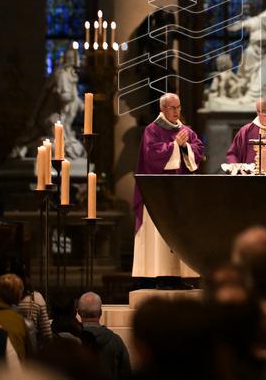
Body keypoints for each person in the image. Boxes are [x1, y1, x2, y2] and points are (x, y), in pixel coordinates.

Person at [133, 93, 205, 282]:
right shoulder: (152, 130)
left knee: (179, 235)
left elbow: (198, 150)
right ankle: (155, 277)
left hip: (180, 193)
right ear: (163, 109)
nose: (177, 111)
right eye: (173, 108)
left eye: (179, 107)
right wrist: (175, 146)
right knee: (159, 238)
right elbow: (151, 155)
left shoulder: (186, 130)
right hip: (157, 194)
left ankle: (178, 277)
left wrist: (184, 147)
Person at [76, 292, 131, 380]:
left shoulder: (72, 342)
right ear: (101, 312)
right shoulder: (115, 341)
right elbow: (126, 374)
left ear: (78, 312)